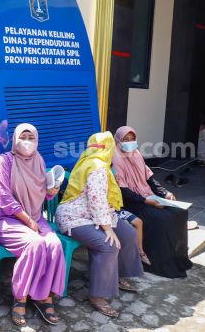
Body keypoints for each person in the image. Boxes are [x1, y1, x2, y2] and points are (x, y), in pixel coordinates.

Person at [55, 131, 143, 318]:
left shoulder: (93, 160)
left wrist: (109, 225)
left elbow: (100, 202)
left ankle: (117, 276)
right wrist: (108, 229)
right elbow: (96, 201)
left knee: (128, 233)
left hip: (93, 214)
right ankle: (98, 295)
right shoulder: (97, 166)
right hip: (75, 217)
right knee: (108, 244)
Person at [0, 123, 66, 327]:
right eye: (23, 137)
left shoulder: (39, 160)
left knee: (54, 244)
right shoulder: (4, 161)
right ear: (15, 139)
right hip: (7, 219)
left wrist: (53, 189)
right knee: (34, 244)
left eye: (31, 138)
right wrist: (28, 220)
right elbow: (4, 198)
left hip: (34, 215)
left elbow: (44, 193)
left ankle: (44, 296)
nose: (27, 141)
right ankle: (21, 297)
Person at [112, 126, 193, 278]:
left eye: (132, 139)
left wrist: (164, 193)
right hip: (131, 202)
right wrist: (146, 201)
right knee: (162, 219)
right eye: (125, 140)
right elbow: (122, 191)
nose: (129, 143)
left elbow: (149, 178)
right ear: (117, 140)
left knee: (180, 212)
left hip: (147, 196)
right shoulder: (115, 159)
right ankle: (157, 263)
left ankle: (177, 258)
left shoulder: (136, 154)